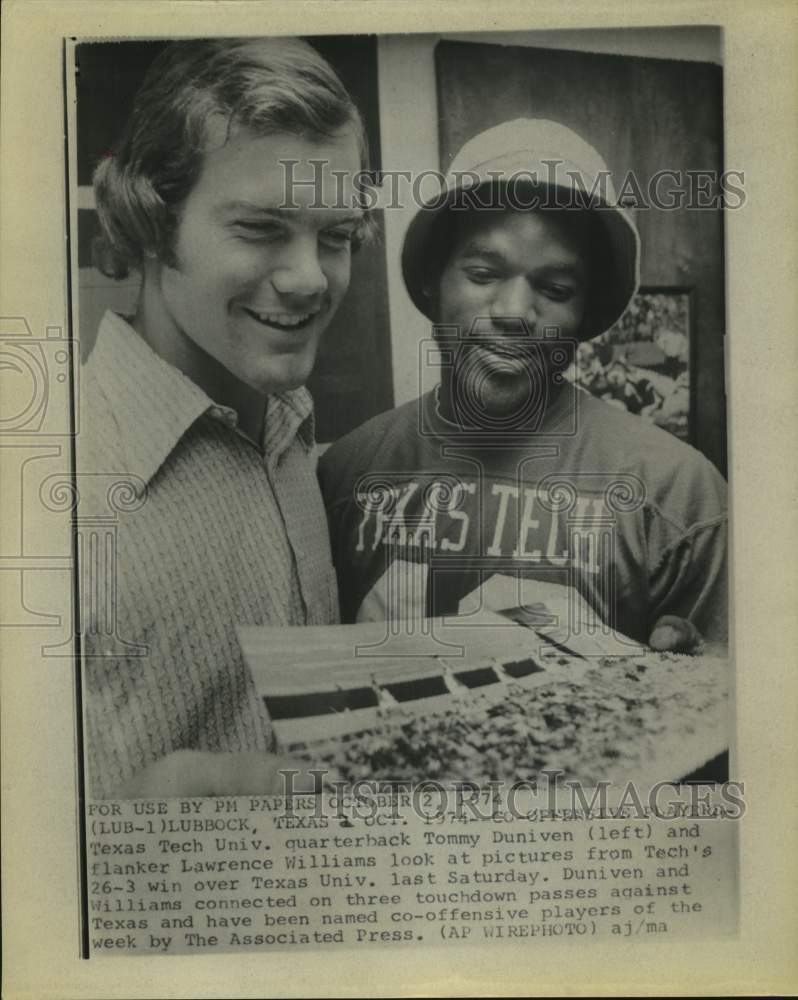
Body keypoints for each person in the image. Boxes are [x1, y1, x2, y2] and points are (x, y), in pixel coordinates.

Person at [79, 38, 371, 797]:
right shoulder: (48, 482)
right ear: (149, 221)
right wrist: (118, 824)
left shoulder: (294, 435)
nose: (311, 279)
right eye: (262, 229)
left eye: (336, 237)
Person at [319, 119, 727, 653]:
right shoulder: (344, 474)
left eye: (555, 288)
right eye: (483, 274)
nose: (514, 312)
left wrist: (711, 696)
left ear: (585, 310)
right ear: (430, 279)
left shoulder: (678, 494)